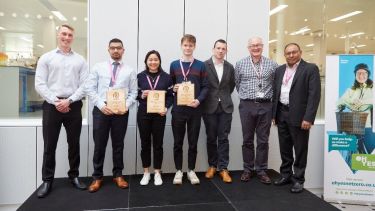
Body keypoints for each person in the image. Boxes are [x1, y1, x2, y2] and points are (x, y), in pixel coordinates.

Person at [34, 24, 88, 198]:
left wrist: (69, 100)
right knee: (50, 145)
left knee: (74, 144)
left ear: (73, 37)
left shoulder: (80, 60)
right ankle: (47, 180)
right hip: (52, 106)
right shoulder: (46, 58)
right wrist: (56, 101)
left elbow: (85, 85)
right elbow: (40, 83)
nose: (66, 37)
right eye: (63, 34)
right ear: (58, 35)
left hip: (73, 105)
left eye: (70, 34)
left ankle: (74, 176)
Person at [85, 38, 137, 193]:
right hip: (101, 110)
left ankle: (118, 174)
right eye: (113, 48)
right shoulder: (98, 67)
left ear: (123, 50)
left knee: (118, 144)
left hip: (121, 112)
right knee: (99, 144)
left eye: (119, 48)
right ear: (108, 50)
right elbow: (90, 88)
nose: (116, 50)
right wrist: (101, 105)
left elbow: (134, 92)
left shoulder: (129, 70)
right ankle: (97, 177)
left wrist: (125, 105)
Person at [272, 43, 321, 193]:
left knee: (300, 149)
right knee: (285, 147)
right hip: (282, 113)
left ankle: (299, 179)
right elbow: (276, 92)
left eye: (294, 52)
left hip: (300, 117)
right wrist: (274, 115)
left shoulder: (310, 69)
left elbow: (314, 95)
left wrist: (308, 118)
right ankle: (286, 175)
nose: (291, 55)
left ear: (300, 52)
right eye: (288, 53)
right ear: (285, 55)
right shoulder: (280, 70)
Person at [234, 37, 278, 184]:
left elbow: (275, 85)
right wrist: (248, 98)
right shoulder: (240, 64)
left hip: (266, 106)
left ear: (262, 46)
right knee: (247, 139)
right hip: (247, 105)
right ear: (248, 47)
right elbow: (237, 83)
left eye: (258, 45)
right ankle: (247, 169)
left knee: (263, 140)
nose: (255, 48)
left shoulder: (272, 65)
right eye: (252, 45)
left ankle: (261, 170)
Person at [170, 34, 208, 185]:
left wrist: (198, 100)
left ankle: (191, 170)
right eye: (185, 45)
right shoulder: (174, 65)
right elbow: (170, 86)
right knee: (178, 142)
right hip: (178, 110)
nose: (188, 48)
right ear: (181, 46)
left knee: (193, 142)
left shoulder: (201, 65)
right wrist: (174, 88)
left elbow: (206, 86)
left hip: (195, 110)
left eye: (191, 45)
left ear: (194, 47)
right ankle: (179, 171)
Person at [137, 50, 174, 186]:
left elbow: (171, 95)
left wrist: (166, 107)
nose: (153, 62)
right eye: (150, 59)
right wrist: (141, 95)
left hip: (160, 114)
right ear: (146, 62)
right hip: (143, 115)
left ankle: (157, 172)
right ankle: (146, 172)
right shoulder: (140, 76)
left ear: (159, 61)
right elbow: (134, 94)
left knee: (158, 144)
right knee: (145, 143)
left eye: (156, 59)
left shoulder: (167, 77)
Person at [202, 39, 235, 183]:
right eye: (218, 48)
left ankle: (223, 168)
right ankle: (212, 166)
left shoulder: (230, 67)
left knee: (223, 138)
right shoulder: (204, 65)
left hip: (225, 108)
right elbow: (202, 85)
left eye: (223, 49)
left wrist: (223, 97)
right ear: (213, 49)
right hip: (209, 107)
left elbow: (231, 85)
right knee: (210, 138)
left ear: (226, 51)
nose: (221, 51)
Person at [337, 63, 373, 161]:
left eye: (364, 73)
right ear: (355, 75)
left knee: (370, 155)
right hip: (352, 125)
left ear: (368, 74)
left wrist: (363, 103)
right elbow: (340, 102)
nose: (361, 76)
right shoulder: (351, 89)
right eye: (358, 73)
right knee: (353, 155)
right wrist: (351, 102)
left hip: (368, 126)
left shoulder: (372, 88)